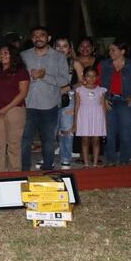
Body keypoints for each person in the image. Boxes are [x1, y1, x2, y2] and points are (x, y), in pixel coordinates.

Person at [20, 26, 69, 171]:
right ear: (31, 38)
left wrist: (44, 76)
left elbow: (64, 80)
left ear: (48, 38)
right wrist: (32, 77)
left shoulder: (59, 57)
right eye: (35, 36)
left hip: (49, 105)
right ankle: (24, 169)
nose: (38, 38)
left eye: (42, 35)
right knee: (25, 139)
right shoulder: (23, 55)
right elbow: (18, 77)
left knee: (48, 140)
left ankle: (48, 168)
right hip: (27, 103)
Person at [98, 42, 131, 166]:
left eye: (113, 50)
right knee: (109, 132)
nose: (110, 52)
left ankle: (124, 160)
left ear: (122, 51)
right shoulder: (104, 65)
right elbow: (96, 84)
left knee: (125, 132)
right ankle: (111, 160)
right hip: (109, 99)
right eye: (109, 50)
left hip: (125, 100)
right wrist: (103, 99)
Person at [0, 45, 29, 172]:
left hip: (14, 110)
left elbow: (23, 93)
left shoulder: (20, 70)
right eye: (0, 53)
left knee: (14, 145)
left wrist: (6, 109)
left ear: (13, 54)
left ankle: (15, 174)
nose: (3, 55)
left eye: (6, 53)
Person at [54, 37, 84, 168]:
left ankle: (66, 158)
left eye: (65, 46)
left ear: (69, 49)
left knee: (66, 129)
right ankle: (49, 157)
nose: (61, 49)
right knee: (51, 129)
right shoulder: (48, 62)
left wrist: (69, 87)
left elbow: (84, 82)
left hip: (69, 98)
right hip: (50, 98)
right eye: (58, 46)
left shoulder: (75, 63)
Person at [74, 67, 108, 167]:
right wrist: (75, 123)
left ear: (97, 77)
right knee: (85, 140)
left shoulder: (101, 90)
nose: (91, 78)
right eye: (88, 76)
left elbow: (103, 106)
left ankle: (95, 163)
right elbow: (77, 106)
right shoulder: (79, 90)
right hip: (84, 116)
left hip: (97, 117)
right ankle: (86, 163)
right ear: (84, 77)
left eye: (93, 76)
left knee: (96, 140)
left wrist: (105, 122)